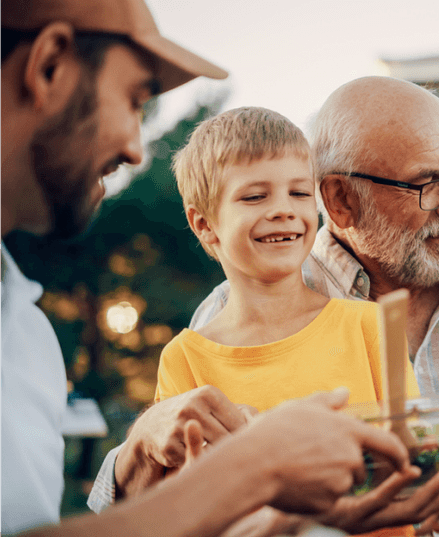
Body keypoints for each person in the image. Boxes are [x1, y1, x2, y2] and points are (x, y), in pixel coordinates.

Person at [1, 2, 416, 535]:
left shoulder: (26, 333)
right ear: (49, 66)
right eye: (133, 99)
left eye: (298, 191)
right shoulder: (185, 355)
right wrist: (260, 472)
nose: (134, 147)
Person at [90, 76, 439, 537]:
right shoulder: (204, 337)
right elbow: (172, 505)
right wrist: (142, 445)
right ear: (340, 201)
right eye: (427, 184)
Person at [158, 105, 439, 536]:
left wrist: (438, 489)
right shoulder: (185, 359)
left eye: (298, 194)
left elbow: (410, 455)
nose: (283, 210)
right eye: (255, 196)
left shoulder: (368, 325)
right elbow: (183, 508)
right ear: (205, 225)